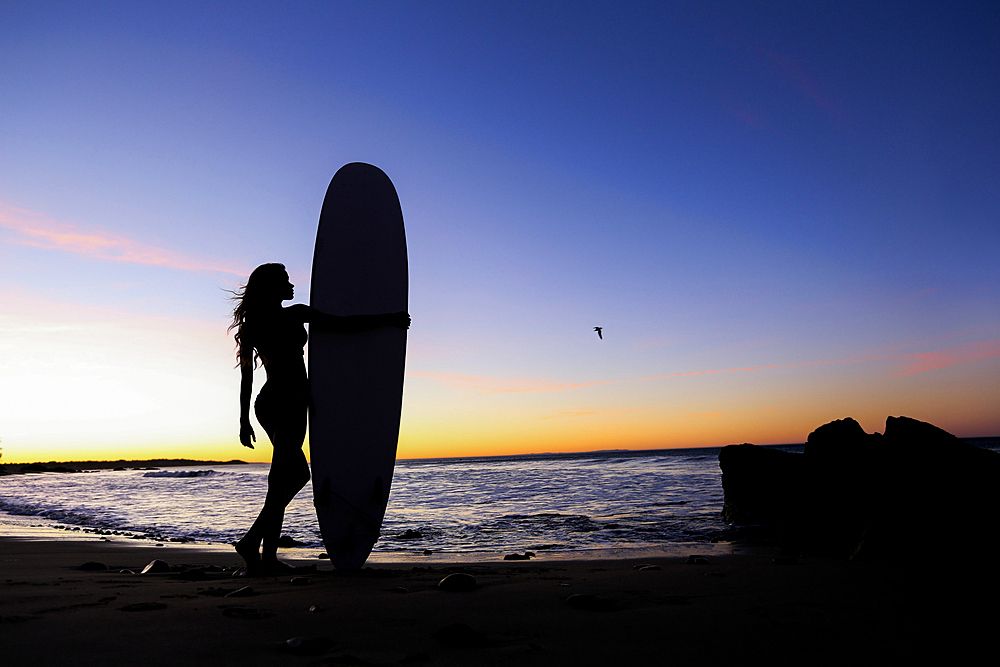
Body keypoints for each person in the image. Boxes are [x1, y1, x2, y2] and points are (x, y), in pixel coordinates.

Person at [228, 262, 409, 575]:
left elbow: (344, 324)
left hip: (284, 403)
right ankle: (262, 556)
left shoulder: (287, 316)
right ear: (273, 287)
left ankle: (254, 545)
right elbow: (246, 378)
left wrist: (387, 320)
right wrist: (242, 421)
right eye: (285, 280)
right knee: (282, 479)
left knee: (294, 476)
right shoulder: (282, 318)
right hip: (282, 403)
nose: (291, 284)